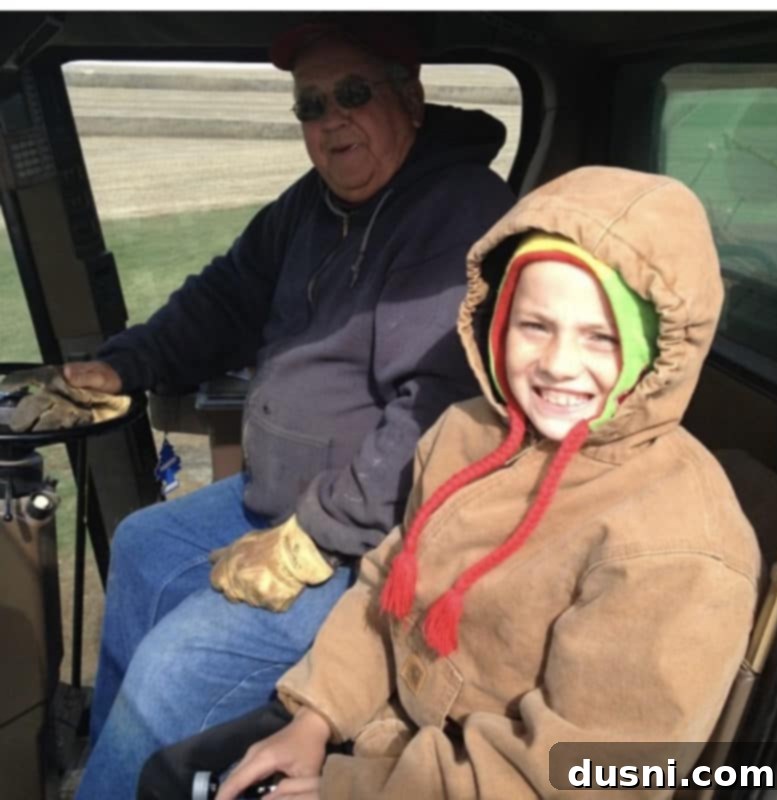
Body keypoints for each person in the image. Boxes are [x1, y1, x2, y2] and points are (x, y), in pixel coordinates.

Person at [201, 166, 761, 800]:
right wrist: (317, 715)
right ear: (497, 322)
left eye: (601, 338)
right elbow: (388, 582)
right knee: (176, 774)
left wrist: (350, 788)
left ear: (658, 354)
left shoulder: (677, 546)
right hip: (393, 738)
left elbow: (586, 778)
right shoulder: (465, 431)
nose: (556, 364)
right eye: (535, 326)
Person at [72, 17, 514, 800]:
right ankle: (116, 766)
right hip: (275, 504)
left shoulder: (457, 211)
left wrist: (316, 537)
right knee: (141, 543)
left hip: (367, 537)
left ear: (410, 98)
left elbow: (433, 412)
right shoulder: (306, 206)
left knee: (175, 665)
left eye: (351, 94)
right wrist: (125, 363)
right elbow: (223, 298)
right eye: (309, 106)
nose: (329, 120)